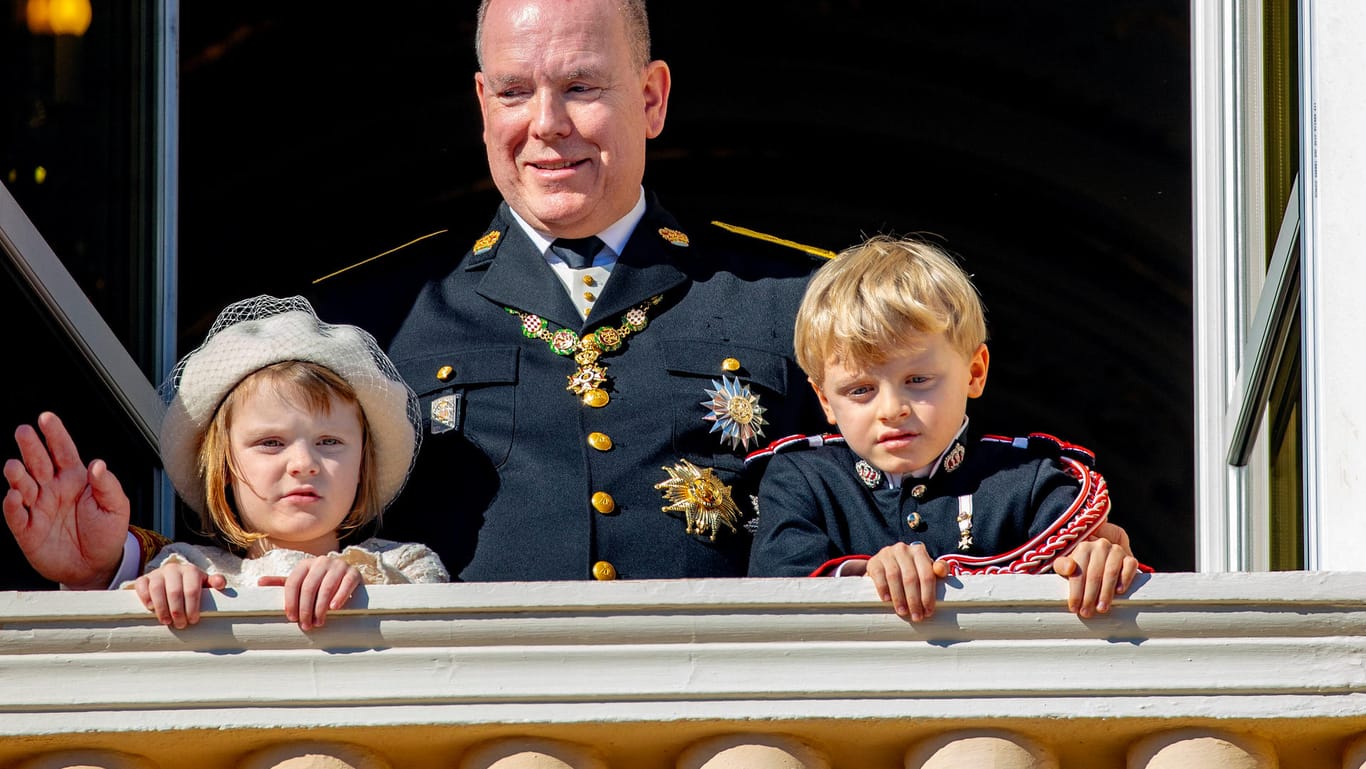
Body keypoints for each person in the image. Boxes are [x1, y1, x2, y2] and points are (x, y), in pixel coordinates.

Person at [4, 0, 1133, 604]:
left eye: (583, 87)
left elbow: (922, 471)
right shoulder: (370, 318)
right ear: (481, 101)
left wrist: (1067, 541)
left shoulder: (792, 303)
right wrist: (121, 560)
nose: (545, 123)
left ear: (651, 97)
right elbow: (277, 525)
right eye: (515, 90)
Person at [747, 236, 1141, 620]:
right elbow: (773, 603)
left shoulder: (1033, 481)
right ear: (825, 401)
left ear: (975, 372)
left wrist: (1096, 564)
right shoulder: (800, 480)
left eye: (918, 380)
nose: (892, 409)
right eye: (861, 390)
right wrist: (860, 576)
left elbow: (1099, 592)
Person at [128, 296, 445, 629]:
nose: (304, 463)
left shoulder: (403, 565)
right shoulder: (192, 568)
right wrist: (162, 593)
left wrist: (361, 585)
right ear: (222, 468)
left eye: (329, 442)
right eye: (271, 443)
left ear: (362, 467)